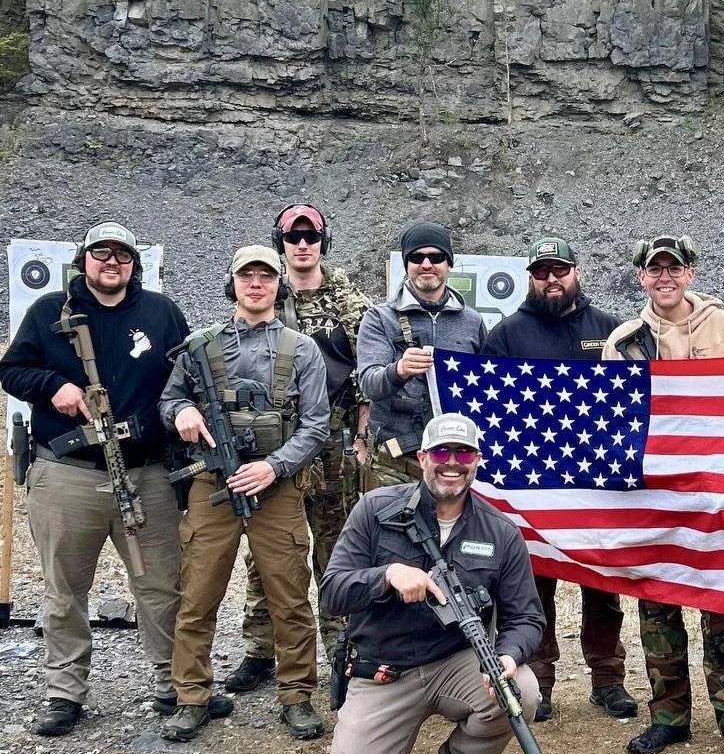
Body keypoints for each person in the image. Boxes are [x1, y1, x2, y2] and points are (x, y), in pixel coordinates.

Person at [0, 222, 190, 736]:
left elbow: (187, 375)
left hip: (147, 475)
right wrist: (52, 385)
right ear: (83, 259)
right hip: (67, 474)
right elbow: (11, 370)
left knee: (161, 585)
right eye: (101, 252)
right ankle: (64, 692)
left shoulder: (162, 313)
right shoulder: (49, 312)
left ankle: (175, 683)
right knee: (64, 589)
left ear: (135, 264)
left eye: (122, 255)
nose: (112, 262)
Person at [602, 234, 724, 754]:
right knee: (657, 608)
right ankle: (669, 716)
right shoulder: (624, 341)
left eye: (674, 268)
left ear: (690, 274)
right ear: (641, 278)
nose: (665, 278)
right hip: (654, 498)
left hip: (715, 498)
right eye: (655, 270)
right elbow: (611, 418)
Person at [321, 413, 545, 754]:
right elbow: (332, 591)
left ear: (477, 461)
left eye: (464, 453)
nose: (452, 462)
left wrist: (509, 656)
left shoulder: (500, 532)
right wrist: (386, 576)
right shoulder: (374, 509)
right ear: (423, 457)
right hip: (385, 669)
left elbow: (527, 618)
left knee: (522, 690)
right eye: (442, 452)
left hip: (454, 663)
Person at [160, 246, 331, 742]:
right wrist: (181, 412)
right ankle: (192, 697)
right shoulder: (200, 345)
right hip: (211, 484)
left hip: (277, 489)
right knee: (198, 596)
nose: (256, 284)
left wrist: (273, 467)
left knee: (290, 597)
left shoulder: (302, 349)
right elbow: (169, 399)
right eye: (246, 275)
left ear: (279, 285)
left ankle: (296, 695)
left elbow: (316, 425)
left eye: (266, 276)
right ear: (232, 283)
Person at [481, 236, 636, 724]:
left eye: (559, 270)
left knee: (603, 580)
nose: (551, 279)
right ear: (530, 278)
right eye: (541, 271)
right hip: (532, 480)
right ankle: (540, 679)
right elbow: (487, 405)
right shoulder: (506, 335)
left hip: (598, 479)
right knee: (535, 582)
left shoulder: (608, 329)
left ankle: (608, 678)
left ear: (577, 272)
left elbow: (632, 400)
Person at [224, 203, 371, 696]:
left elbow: (368, 369)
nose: (303, 244)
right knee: (268, 554)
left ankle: (341, 651)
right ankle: (260, 650)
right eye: (293, 237)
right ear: (281, 242)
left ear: (324, 242)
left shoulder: (351, 303)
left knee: (336, 551)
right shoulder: (262, 293)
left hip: (333, 447)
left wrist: (363, 432)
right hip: (272, 447)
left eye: (311, 236)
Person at [356, 223, 485, 488]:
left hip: (454, 462)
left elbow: (485, 386)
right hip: (394, 462)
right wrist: (398, 371)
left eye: (436, 257)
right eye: (417, 257)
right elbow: (369, 383)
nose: (427, 264)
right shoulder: (379, 318)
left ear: (449, 264)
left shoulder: (472, 322)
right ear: (406, 265)